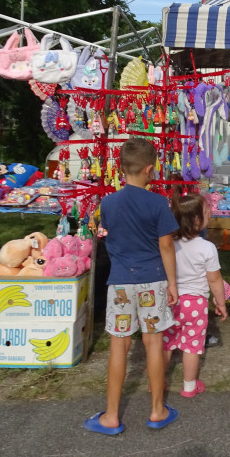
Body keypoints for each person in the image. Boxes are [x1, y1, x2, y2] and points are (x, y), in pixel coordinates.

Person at [84, 138, 179, 436]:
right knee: (153, 342)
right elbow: (166, 247)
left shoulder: (108, 203)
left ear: (121, 168)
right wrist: (173, 283)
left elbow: (104, 232)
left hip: (121, 282)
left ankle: (111, 415)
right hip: (153, 279)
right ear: (150, 170)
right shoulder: (158, 203)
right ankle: (156, 409)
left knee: (118, 346)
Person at [162, 192, 227, 397]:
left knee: (166, 343)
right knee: (191, 346)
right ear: (198, 219)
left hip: (170, 301)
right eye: (208, 212)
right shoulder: (207, 248)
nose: (210, 214)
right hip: (196, 305)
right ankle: (189, 386)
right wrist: (221, 302)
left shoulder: (168, 244)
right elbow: (215, 280)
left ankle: (157, 383)